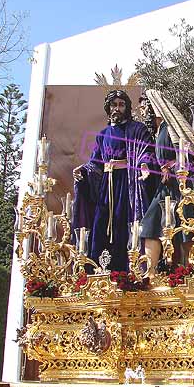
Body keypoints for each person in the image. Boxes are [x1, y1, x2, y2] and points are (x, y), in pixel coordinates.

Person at [73, 89, 154, 271]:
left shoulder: (136, 129)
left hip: (127, 184)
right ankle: (99, 268)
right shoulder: (103, 134)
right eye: (113, 105)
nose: (117, 108)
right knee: (102, 223)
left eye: (121, 105)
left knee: (123, 223)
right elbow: (95, 163)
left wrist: (143, 165)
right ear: (108, 109)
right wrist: (84, 171)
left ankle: (127, 269)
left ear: (126, 108)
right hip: (106, 186)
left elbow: (146, 151)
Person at [138, 90, 194, 276]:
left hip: (183, 183)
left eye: (146, 105)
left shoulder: (171, 127)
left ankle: (190, 271)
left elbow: (189, 151)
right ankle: (151, 272)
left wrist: (173, 166)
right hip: (166, 185)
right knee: (151, 223)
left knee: (188, 226)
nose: (143, 109)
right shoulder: (161, 129)